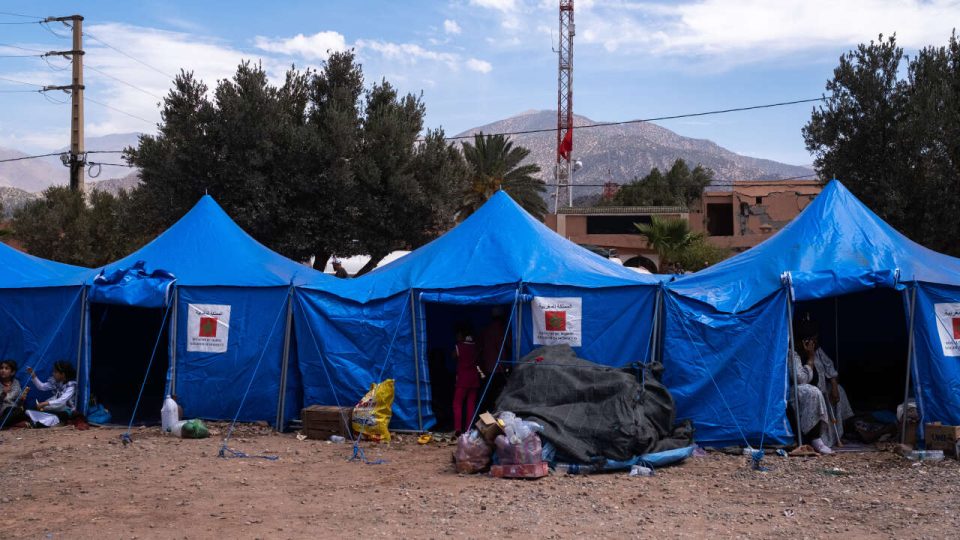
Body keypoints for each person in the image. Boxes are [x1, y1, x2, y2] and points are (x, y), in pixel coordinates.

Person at [789, 317, 854, 453]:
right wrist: (810, 359)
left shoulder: (817, 350)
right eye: (813, 339)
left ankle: (847, 430)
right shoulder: (793, 354)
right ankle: (815, 438)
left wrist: (834, 386)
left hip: (819, 388)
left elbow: (829, 367)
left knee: (839, 390)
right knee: (812, 392)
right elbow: (801, 379)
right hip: (798, 393)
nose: (815, 342)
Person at [452, 324, 484, 435]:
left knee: (457, 404)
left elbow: (453, 356)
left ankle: (457, 428)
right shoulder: (476, 346)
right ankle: (468, 428)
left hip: (462, 379)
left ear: (462, 335)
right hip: (474, 378)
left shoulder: (459, 346)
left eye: (458, 334)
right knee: (471, 404)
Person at [478, 307, 512, 411]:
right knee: (498, 395)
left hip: (488, 368)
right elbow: (510, 345)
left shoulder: (485, 330)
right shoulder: (503, 331)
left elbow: (480, 348)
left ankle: (484, 416)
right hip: (500, 368)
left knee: (487, 395)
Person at [26, 361, 79, 426]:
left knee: (59, 416)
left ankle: (41, 422)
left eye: (55, 372)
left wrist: (45, 403)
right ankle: (42, 421)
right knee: (29, 410)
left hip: (66, 410)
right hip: (55, 408)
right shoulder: (56, 382)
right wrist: (33, 375)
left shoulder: (71, 386)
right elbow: (42, 387)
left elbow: (62, 400)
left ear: (63, 374)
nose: (53, 374)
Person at [0, 359, 29, 427]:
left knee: (25, 412)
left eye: (6, 368)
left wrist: (22, 399)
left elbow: (18, 402)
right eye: (1, 368)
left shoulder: (16, 383)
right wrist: (3, 394)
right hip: (3, 410)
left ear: (12, 372)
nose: (3, 370)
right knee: (9, 410)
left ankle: (12, 424)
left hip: (15, 410)